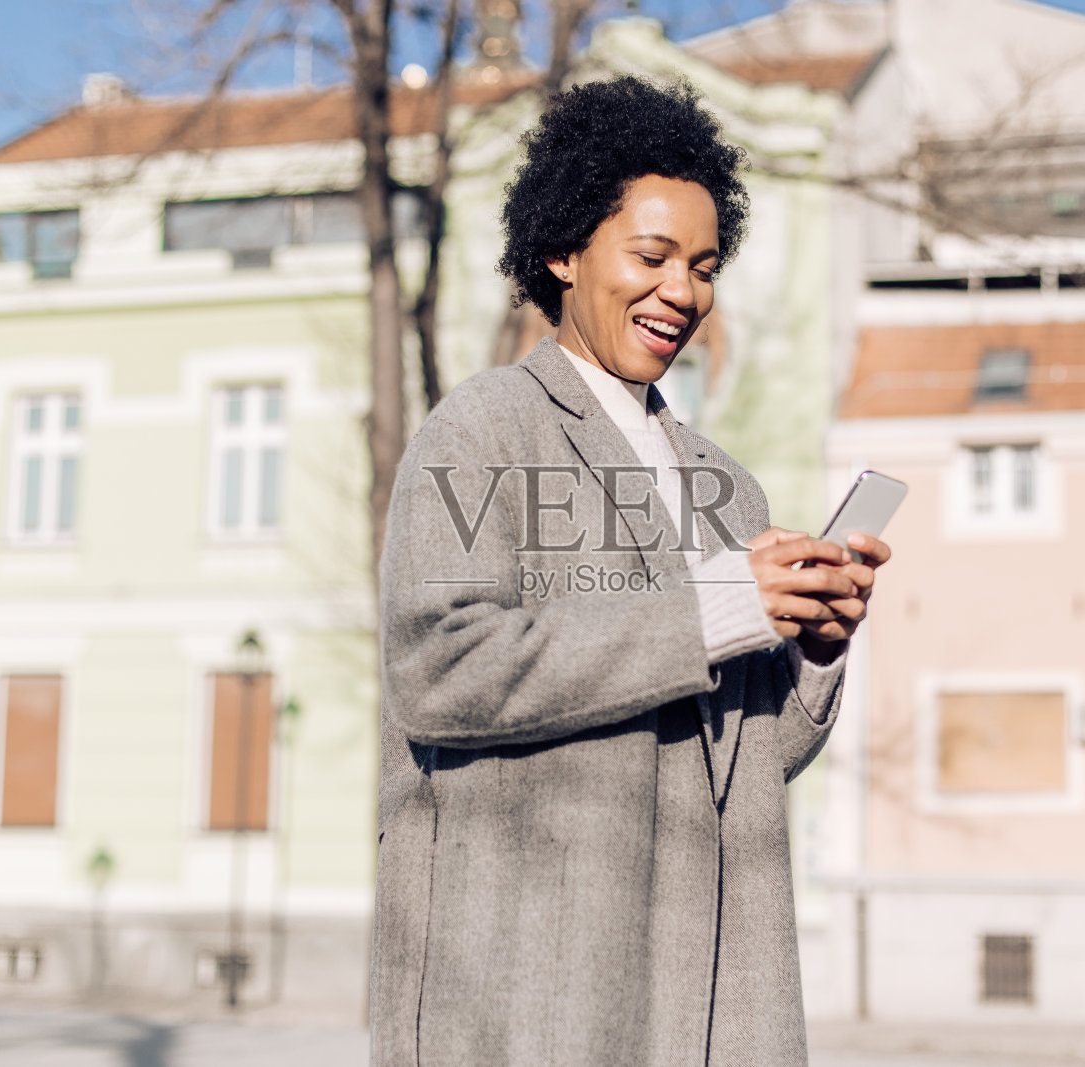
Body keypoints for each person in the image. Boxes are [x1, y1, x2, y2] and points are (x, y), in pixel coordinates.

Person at [369, 76, 890, 1067]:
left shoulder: (724, 488)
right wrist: (718, 607)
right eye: (650, 256)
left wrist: (815, 650)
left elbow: (747, 759)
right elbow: (436, 671)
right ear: (563, 251)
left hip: (708, 986)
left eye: (700, 265)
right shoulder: (479, 428)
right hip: (534, 987)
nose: (682, 291)